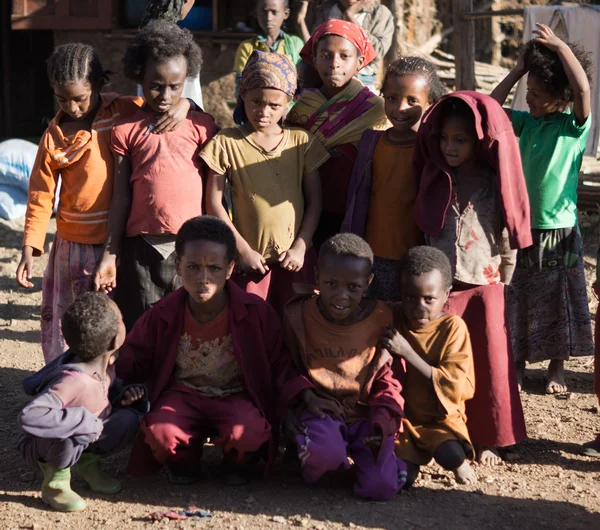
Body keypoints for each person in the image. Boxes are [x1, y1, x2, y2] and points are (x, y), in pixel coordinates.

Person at [115, 216, 329, 484]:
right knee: (161, 432)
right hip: (182, 395)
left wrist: (302, 396)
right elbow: (132, 358)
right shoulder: (162, 314)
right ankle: (184, 459)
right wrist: (122, 385)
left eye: (214, 268)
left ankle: (237, 462)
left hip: (234, 396)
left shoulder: (255, 313)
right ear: (178, 265)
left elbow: (280, 361)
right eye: (193, 267)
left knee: (250, 432)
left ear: (230, 269)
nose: (203, 278)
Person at [15, 43, 192, 363]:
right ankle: (69, 377)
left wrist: (187, 105)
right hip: (73, 246)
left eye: (80, 98)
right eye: (62, 98)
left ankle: (111, 378)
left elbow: (161, 103)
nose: (72, 107)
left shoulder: (123, 111)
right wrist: (31, 246)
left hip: (117, 241)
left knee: (114, 316)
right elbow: (41, 193)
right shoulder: (54, 136)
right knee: (76, 319)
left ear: (98, 85)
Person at [413, 92, 532, 465]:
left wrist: (505, 281)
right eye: (445, 138)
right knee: (444, 362)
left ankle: (493, 436)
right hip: (442, 288)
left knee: (490, 359)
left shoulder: (493, 180)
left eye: (460, 140)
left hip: (485, 284)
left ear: (478, 141)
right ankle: (442, 433)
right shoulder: (433, 175)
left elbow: (506, 235)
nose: (450, 146)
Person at [490, 24, 594, 394]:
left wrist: (561, 47)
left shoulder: (574, 129)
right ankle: (517, 365)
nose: (528, 99)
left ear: (558, 97)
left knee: (558, 301)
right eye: (527, 92)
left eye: (535, 94)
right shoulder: (526, 124)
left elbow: (582, 88)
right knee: (520, 296)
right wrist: (518, 71)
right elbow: (490, 106)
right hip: (522, 227)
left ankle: (556, 369)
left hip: (561, 230)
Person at [94, 21, 218, 330]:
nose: (165, 95)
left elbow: (215, 191)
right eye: (156, 85)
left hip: (191, 244)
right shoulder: (125, 130)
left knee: (187, 323)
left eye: (175, 87)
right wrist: (111, 253)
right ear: (139, 76)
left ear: (185, 82)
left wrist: (188, 104)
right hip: (141, 246)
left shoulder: (201, 126)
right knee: (143, 322)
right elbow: (121, 196)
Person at [202, 50, 328, 316]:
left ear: (289, 104)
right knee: (251, 325)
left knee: (295, 325)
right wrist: (242, 250)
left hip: (294, 262)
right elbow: (213, 202)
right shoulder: (227, 142)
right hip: (249, 262)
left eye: (274, 105)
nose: (263, 111)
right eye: (256, 101)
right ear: (242, 96)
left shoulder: (301, 142)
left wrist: (301, 247)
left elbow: (315, 201)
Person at [284, 233, 407, 501]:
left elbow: (389, 379)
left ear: (369, 282)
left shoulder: (381, 319)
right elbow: (285, 366)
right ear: (316, 277)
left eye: (353, 287)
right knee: (325, 458)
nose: (341, 295)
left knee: (381, 488)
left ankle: (373, 466)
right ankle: (319, 457)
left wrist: (382, 421)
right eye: (331, 284)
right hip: (320, 412)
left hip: (364, 416)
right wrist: (306, 395)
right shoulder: (298, 316)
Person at [17, 292, 147, 512]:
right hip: (47, 445)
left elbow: (101, 394)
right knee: (69, 432)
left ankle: (86, 465)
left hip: (86, 433)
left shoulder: (105, 365)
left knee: (128, 419)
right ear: (115, 340)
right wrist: (80, 420)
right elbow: (30, 415)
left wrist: (122, 396)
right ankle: (55, 483)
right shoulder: (74, 380)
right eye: (122, 320)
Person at [342, 57, 446, 301]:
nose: (400, 108)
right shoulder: (372, 144)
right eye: (391, 98)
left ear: (431, 103)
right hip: (371, 257)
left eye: (412, 101)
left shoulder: (434, 151)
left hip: (417, 260)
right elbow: (357, 200)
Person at [287, 19, 388, 249]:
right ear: (314, 59)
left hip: (353, 208)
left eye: (344, 56)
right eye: (325, 55)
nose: (334, 63)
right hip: (302, 208)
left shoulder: (376, 110)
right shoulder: (301, 107)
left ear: (360, 62)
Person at [380, 246, 476, 486]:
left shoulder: (453, 328)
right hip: (404, 417)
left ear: (446, 295)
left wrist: (407, 352)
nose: (419, 307)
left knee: (451, 455)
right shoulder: (394, 315)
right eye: (410, 297)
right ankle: (411, 459)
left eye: (429, 299)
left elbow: (451, 385)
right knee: (405, 478)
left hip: (440, 417)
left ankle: (459, 463)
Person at [295, 0, 394, 90]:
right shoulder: (326, 9)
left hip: (361, 77)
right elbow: (314, 47)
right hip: (324, 75)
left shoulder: (379, 13)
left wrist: (349, 16)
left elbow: (377, 53)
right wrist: (300, 21)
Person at [140, 0, 204, 109]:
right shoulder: (175, 43)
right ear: (186, 1)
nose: (165, 95)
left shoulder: (145, 35)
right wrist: (188, 104)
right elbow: (193, 98)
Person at [233, 0, 304, 97]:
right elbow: (241, 85)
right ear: (256, 13)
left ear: (286, 13)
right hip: (257, 107)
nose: (268, 18)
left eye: (274, 12)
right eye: (263, 12)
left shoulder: (295, 44)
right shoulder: (247, 47)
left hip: (290, 108)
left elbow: (303, 81)